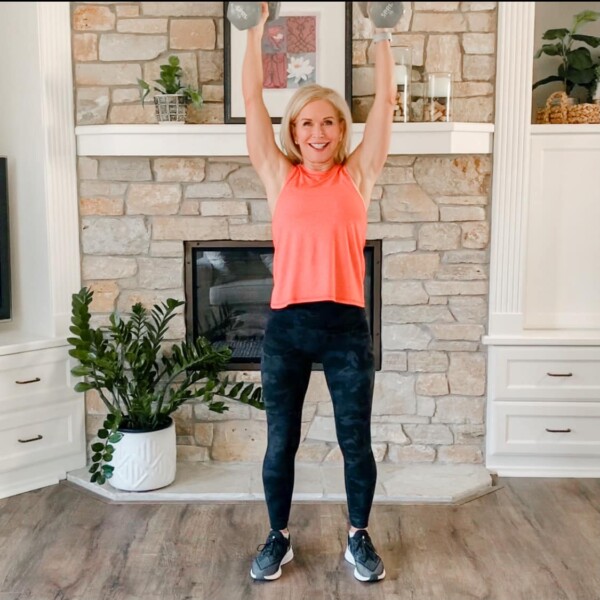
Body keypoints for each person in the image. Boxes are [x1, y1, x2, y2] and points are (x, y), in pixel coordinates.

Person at [242, 3, 395, 584]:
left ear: (341, 130)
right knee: (281, 443)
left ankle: (359, 537)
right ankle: (277, 537)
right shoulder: (277, 175)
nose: (317, 133)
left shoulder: (359, 175)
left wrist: (381, 35)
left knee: (356, 443)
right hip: (286, 328)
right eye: (306, 123)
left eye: (328, 122)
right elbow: (255, 101)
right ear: (294, 132)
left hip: (345, 329)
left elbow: (384, 104)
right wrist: (255, 30)